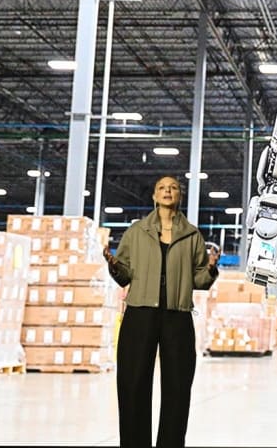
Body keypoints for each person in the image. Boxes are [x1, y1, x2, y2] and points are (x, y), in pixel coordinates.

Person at [103, 175, 219, 448]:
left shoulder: (192, 235)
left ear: (180, 195)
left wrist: (212, 269)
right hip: (140, 313)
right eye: (162, 188)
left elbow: (200, 280)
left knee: (178, 389)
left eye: (173, 188)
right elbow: (125, 275)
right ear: (154, 196)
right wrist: (113, 265)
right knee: (132, 385)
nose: (168, 191)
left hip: (177, 315)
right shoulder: (136, 231)